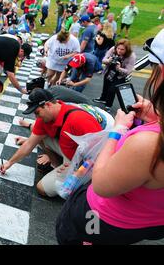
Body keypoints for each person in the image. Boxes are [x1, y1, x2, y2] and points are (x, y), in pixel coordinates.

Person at [56, 30, 164, 245]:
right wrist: (155, 115)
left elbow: (102, 185)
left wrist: (118, 130)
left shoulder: (149, 145)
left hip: (102, 217)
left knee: (81, 237)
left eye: (154, 68)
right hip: (148, 221)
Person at [0, 89, 102, 198]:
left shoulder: (78, 119)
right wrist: (8, 163)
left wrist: (78, 171)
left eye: (37, 112)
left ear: (47, 105)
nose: (36, 117)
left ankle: (83, 189)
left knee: (42, 189)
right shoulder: (44, 119)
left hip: (84, 161)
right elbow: (29, 144)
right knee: (41, 138)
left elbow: (100, 153)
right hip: (71, 152)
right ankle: (57, 165)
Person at [93, 39, 136, 111]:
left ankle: (108, 105)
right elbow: (104, 60)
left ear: (127, 50)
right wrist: (108, 60)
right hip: (110, 70)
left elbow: (128, 71)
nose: (119, 51)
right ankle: (103, 98)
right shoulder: (113, 49)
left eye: (122, 49)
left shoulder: (131, 56)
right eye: (118, 48)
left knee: (112, 90)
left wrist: (119, 68)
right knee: (106, 86)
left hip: (120, 75)